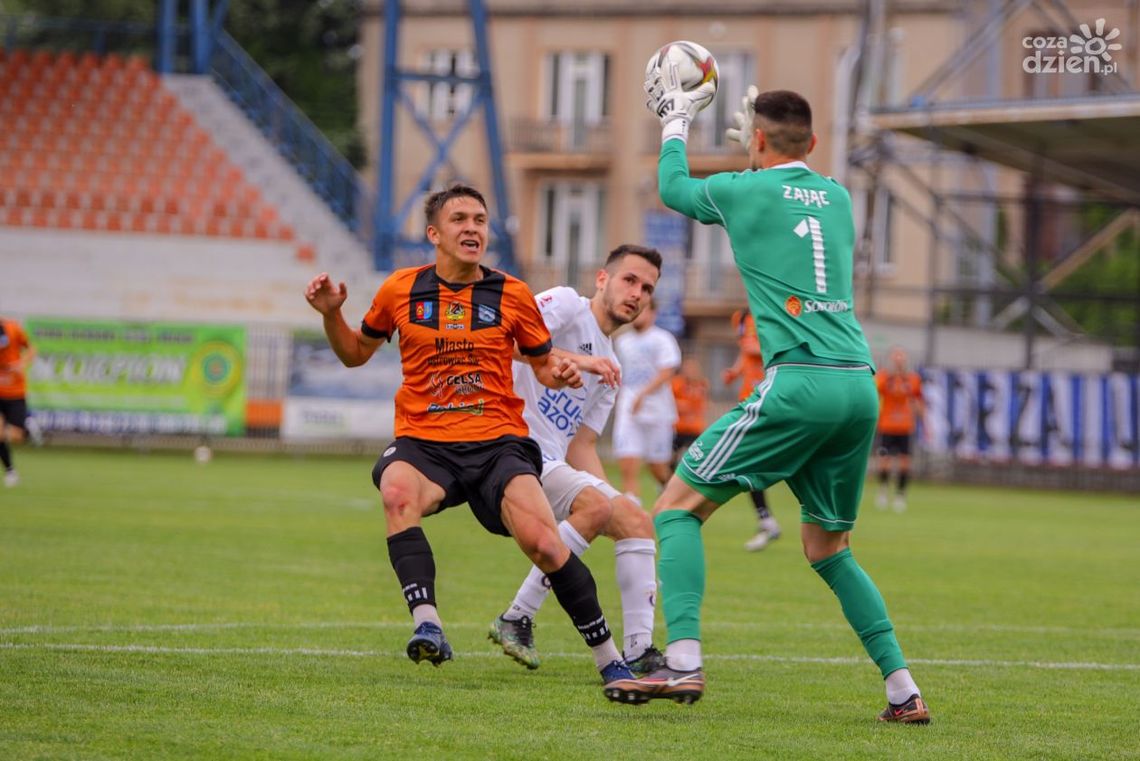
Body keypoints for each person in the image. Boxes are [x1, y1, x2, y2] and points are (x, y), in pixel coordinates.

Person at [606, 81, 930, 724]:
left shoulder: (743, 188)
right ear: (812, 142)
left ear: (754, 140)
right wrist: (758, 156)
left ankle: (684, 661)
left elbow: (674, 190)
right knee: (828, 549)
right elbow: (791, 187)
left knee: (673, 511)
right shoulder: (838, 197)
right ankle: (902, 690)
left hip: (800, 381)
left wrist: (676, 121)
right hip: (856, 385)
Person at [304, 184, 637, 696]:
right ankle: (429, 624)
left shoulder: (512, 294)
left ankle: (611, 661)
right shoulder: (400, 290)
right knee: (396, 492)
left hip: (498, 442)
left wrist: (563, 373)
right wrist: (331, 314)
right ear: (434, 234)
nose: (473, 228)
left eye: (480, 219)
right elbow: (354, 353)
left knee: (545, 544)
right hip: (425, 440)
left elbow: (542, 363)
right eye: (459, 219)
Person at [489, 244, 665, 676]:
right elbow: (506, 340)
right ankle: (518, 615)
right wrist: (584, 361)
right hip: (511, 446)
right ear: (602, 279)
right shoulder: (567, 303)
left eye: (646, 288)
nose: (637, 293)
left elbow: (582, 445)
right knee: (597, 505)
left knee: (635, 521)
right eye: (629, 280)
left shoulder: (612, 368)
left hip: (553, 460)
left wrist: (611, 498)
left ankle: (640, 649)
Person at [723, 308, 783, 551]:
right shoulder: (741, 316)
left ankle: (767, 520)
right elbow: (745, 351)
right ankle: (765, 520)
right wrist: (735, 372)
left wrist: (757, 349)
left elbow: (779, 352)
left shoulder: (775, 312)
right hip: (750, 399)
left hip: (771, 400)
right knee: (749, 465)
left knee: (756, 465)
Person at [612, 300, 682, 504]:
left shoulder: (662, 339)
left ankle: (673, 501)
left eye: (642, 311)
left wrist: (643, 394)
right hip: (629, 408)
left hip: (657, 410)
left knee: (658, 467)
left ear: (653, 313)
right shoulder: (622, 341)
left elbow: (667, 371)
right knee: (628, 462)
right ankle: (632, 510)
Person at [875, 347, 925, 512]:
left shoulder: (912, 380)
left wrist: (925, 422)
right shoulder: (883, 377)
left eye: (901, 359)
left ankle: (900, 495)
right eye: (896, 359)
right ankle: (882, 491)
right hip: (887, 426)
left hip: (905, 427)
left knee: (904, 464)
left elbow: (918, 401)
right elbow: (874, 395)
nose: (898, 362)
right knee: (884, 462)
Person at [0, 316, 38, 487]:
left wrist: (21, 363)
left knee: (17, 436)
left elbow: (31, 349)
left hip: (15, 393)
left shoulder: (13, 329)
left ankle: (28, 426)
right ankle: (10, 471)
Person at [671, 357, 708, 469]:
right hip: (678, 427)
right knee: (671, 457)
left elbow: (702, 404)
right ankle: (667, 481)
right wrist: (679, 404)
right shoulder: (676, 383)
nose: (690, 371)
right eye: (688, 368)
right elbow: (669, 401)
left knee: (696, 457)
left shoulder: (702, 384)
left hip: (694, 427)